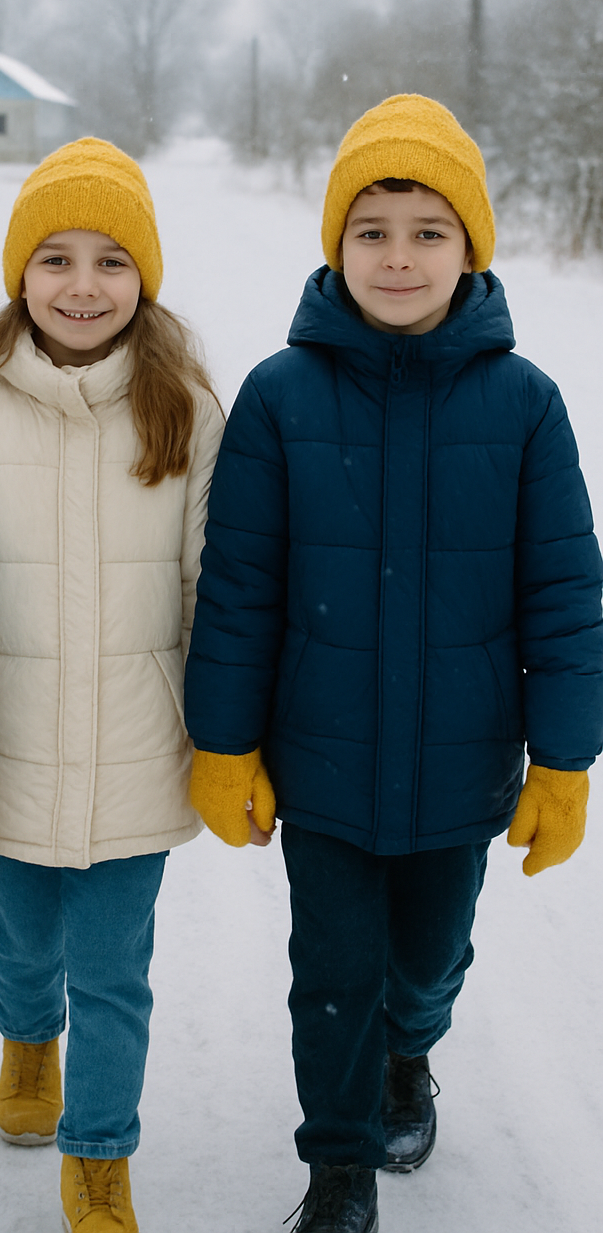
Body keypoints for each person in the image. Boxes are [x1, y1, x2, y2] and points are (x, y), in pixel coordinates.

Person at [184, 94, 603, 1233]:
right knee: (331, 975)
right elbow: (239, 586)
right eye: (371, 230)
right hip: (317, 762)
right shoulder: (279, 397)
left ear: (470, 247)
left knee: (425, 959)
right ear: (335, 246)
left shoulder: (523, 404)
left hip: (463, 759)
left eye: (428, 230)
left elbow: (565, 596)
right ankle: (337, 1171)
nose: (399, 256)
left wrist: (563, 760)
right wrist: (223, 744)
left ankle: (409, 1053)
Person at [0, 137, 225, 1233]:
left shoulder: (186, 409)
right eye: (56, 258)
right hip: (8, 745)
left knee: (114, 970)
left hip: (141, 750)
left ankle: (99, 1154)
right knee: (22, 941)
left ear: (143, 277)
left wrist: (225, 737)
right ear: (20, 276)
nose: (83, 285)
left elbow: (210, 589)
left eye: (110, 260)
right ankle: (23, 1039)